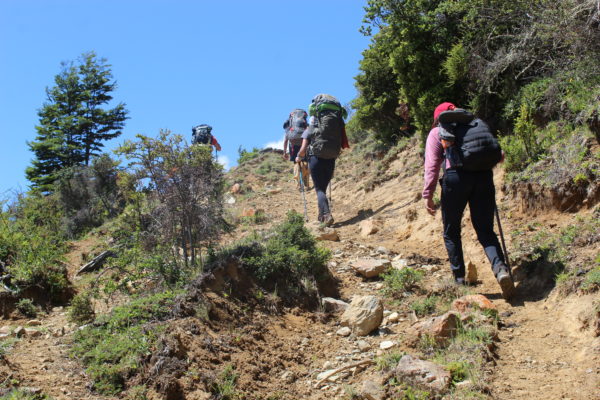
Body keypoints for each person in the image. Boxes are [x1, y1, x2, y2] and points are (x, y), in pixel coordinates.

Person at [422, 102, 515, 298]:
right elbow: (500, 155)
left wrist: (427, 195)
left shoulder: (438, 131)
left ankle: (459, 281)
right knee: (485, 230)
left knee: (451, 231)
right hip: (483, 177)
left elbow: (432, 166)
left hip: (455, 179)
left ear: (438, 118)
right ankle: (501, 270)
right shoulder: (475, 125)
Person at [296, 94, 349, 225]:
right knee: (323, 189)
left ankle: (326, 214)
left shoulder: (310, 128)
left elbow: (303, 150)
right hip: (332, 156)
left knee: (319, 189)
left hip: (316, 157)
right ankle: (321, 215)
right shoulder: (337, 121)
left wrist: (298, 157)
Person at [283, 109, 310, 190]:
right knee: (305, 161)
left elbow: (285, 141)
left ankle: (298, 183)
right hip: (303, 143)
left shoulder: (289, 127)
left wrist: (284, 152)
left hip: (293, 145)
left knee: (296, 163)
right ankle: (306, 183)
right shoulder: (304, 124)